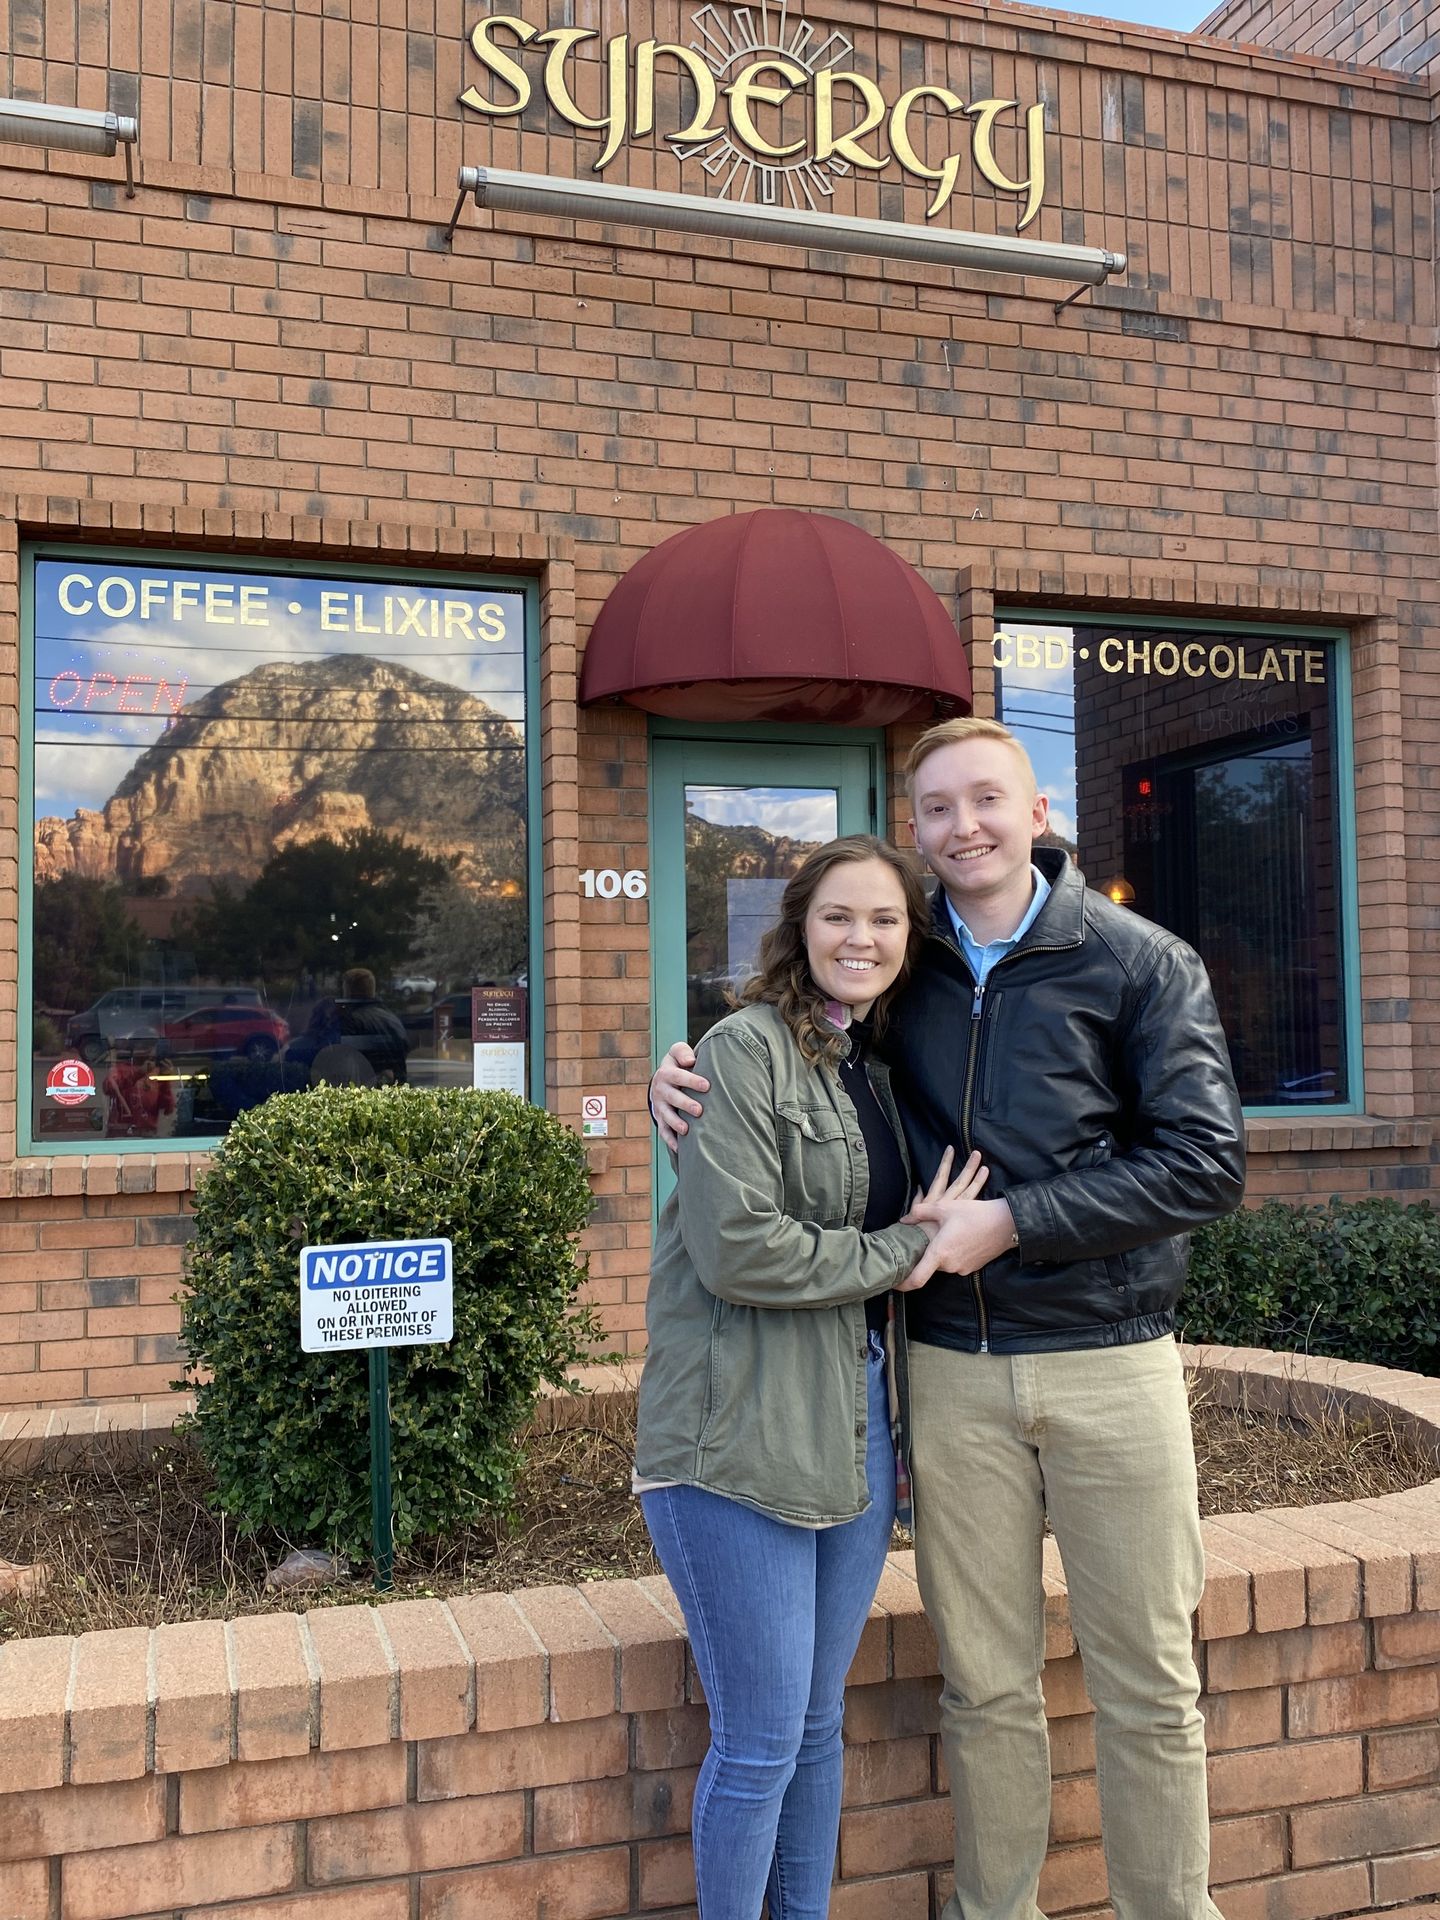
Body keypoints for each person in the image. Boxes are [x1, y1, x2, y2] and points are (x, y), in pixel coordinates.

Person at [650, 717, 1247, 1920]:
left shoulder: (1139, 962)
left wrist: (1015, 1220)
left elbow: (1206, 1164)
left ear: (1038, 813)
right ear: (917, 834)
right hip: (952, 1367)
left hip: (1108, 1357)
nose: (962, 823)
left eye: (987, 798)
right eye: (936, 807)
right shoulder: (899, 976)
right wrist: (675, 1081)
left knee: (1147, 1682)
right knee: (984, 1686)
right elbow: (782, 1055)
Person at [636, 833, 989, 1920]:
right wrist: (906, 1248)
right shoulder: (738, 1052)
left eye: (886, 920)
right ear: (798, 928)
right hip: (734, 1444)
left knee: (815, 1727)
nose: (862, 937)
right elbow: (740, 1250)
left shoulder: (873, 1072)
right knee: (755, 1743)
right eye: (840, 915)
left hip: (849, 1439)